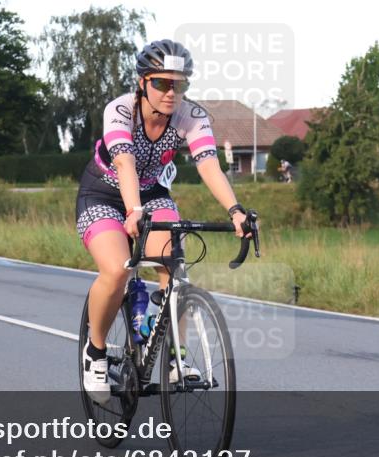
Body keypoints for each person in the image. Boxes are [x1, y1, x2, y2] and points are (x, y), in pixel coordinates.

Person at [77, 39, 252, 405]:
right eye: (162, 83)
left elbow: (208, 164)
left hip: (153, 194)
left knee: (175, 268)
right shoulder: (121, 110)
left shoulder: (192, 116)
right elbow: (123, 162)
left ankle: (176, 358)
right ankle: (94, 353)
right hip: (104, 194)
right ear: (143, 82)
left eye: (180, 84)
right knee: (116, 270)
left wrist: (236, 210)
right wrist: (132, 211)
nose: (172, 92)